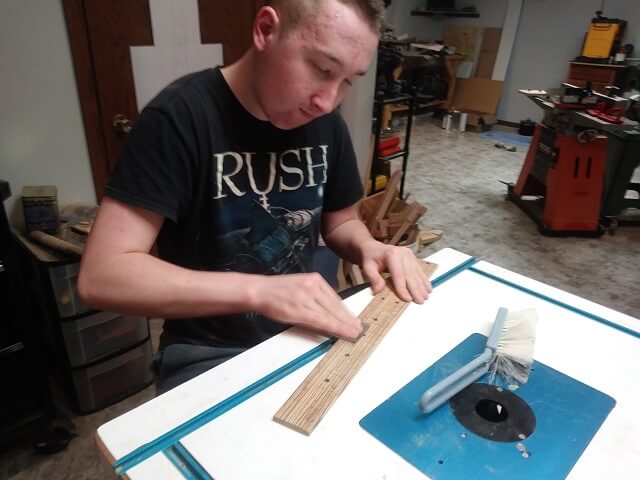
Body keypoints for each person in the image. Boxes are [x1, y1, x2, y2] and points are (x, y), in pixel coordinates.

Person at [78, 0, 432, 394]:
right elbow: (103, 275)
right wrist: (259, 291)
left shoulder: (326, 122)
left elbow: (341, 221)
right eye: (321, 69)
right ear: (265, 30)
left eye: (348, 80)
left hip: (307, 329)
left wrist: (369, 247)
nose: (328, 101)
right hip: (209, 351)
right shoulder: (179, 118)